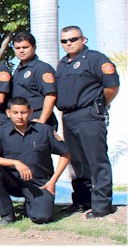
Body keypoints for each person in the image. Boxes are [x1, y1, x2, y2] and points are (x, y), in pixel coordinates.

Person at [55, 26, 120, 218]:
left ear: (83, 39)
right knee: (77, 163)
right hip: (69, 117)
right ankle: (82, 201)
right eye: (64, 41)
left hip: (89, 115)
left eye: (72, 39)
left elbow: (112, 86)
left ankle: (101, 206)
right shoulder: (63, 64)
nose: (68, 44)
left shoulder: (95, 58)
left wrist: (101, 104)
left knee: (96, 160)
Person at [0, 97, 70, 224]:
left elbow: (65, 154)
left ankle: (30, 205)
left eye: (23, 112)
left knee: (42, 217)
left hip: (38, 183)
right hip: (12, 181)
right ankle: (6, 213)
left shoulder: (44, 130)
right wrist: (15, 162)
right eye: (15, 113)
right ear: (8, 113)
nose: (19, 116)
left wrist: (53, 181)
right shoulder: (0, 132)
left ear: (30, 112)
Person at [11, 32, 58, 129]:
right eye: (18, 48)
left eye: (25, 47)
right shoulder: (17, 71)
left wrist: (42, 120)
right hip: (22, 118)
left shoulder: (42, 68)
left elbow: (50, 95)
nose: (21, 51)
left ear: (34, 47)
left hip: (38, 116)